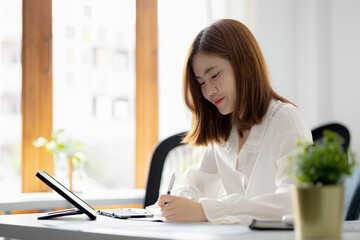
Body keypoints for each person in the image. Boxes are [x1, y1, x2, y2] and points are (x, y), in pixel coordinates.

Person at [157, 19, 312, 224]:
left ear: (245, 66)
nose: (209, 91)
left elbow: (297, 203)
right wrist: (177, 203)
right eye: (202, 82)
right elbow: (193, 184)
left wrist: (210, 210)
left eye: (214, 75)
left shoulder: (285, 120)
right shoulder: (225, 132)